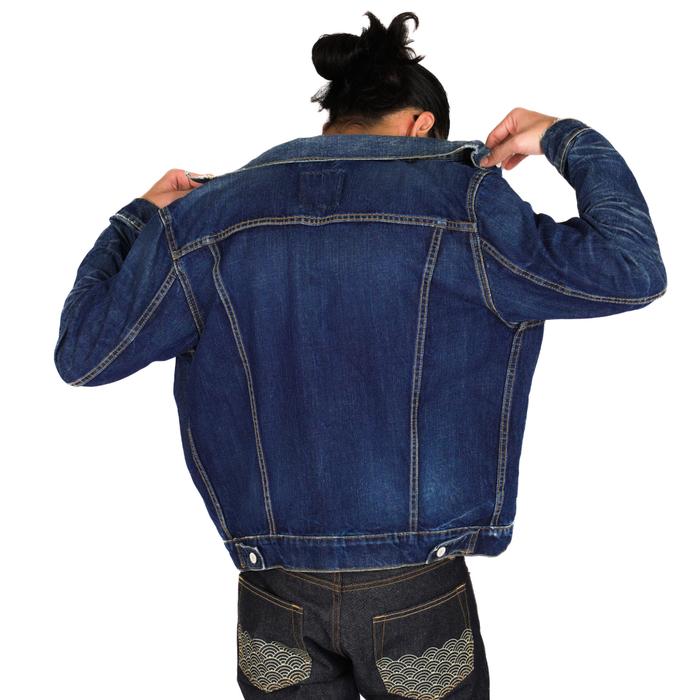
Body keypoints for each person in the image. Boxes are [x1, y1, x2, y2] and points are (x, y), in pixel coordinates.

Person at [53, 10, 667, 700]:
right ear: (422, 126)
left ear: (335, 117)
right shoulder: (465, 204)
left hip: (272, 594)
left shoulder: (204, 217)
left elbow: (84, 354)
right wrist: (562, 136)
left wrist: (138, 217)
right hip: (414, 595)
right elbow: (631, 269)